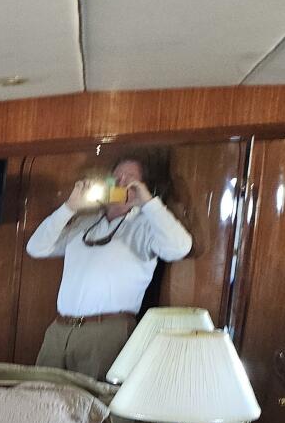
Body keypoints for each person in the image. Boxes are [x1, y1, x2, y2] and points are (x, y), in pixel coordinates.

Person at [25, 153, 192, 380]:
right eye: (116, 177)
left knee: (97, 399)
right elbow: (36, 248)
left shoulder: (146, 225)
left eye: (130, 178)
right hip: (60, 329)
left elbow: (179, 248)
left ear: (144, 186)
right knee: (41, 394)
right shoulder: (84, 223)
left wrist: (148, 203)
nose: (121, 183)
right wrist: (70, 207)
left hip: (108, 332)